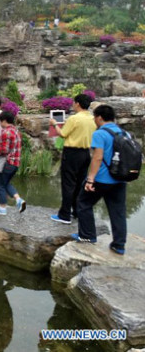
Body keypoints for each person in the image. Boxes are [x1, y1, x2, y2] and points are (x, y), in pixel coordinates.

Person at [73, 105, 127, 254]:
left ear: (99, 118)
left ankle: (87, 236)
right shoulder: (123, 133)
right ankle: (119, 245)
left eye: (94, 117)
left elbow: (97, 157)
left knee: (83, 203)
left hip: (102, 179)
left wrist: (90, 179)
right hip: (119, 179)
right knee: (118, 212)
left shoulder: (100, 133)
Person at [49, 94, 96, 224]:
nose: (72, 105)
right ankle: (77, 212)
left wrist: (54, 124)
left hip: (72, 154)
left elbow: (63, 134)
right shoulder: (92, 119)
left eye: (74, 102)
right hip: (86, 154)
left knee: (68, 184)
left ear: (78, 104)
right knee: (80, 183)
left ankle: (64, 215)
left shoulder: (74, 119)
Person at [0, 111, 26, 215]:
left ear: (4, 121)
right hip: (15, 163)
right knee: (5, 183)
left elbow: (4, 150)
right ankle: (19, 200)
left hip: (7, 163)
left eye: (0, 121)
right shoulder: (16, 131)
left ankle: (2, 208)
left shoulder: (6, 132)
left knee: (0, 185)